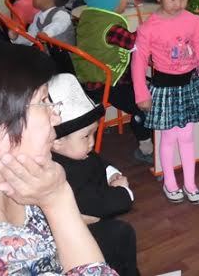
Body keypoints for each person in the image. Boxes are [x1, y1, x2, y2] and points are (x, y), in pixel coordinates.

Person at [0, 41, 115, 275]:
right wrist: (58, 200)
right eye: (44, 102)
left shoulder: (18, 178)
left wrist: (54, 200)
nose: (56, 117)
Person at [131, 0, 199, 204]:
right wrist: (142, 94)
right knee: (168, 137)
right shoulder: (148, 28)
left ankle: (190, 183)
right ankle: (170, 181)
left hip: (188, 85)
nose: (179, 4)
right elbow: (138, 63)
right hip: (164, 88)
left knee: (187, 136)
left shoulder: (192, 20)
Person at [49, 74, 138, 276]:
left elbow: (100, 162)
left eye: (94, 133)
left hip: (93, 221)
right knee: (122, 235)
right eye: (85, 136)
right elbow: (97, 203)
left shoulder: (78, 154)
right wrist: (122, 192)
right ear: (57, 142)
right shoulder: (64, 173)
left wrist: (111, 173)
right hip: (81, 240)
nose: (92, 142)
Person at [73, 0, 154, 164]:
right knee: (144, 105)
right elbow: (135, 43)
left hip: (92, 76)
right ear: (110, 2)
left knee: (144, 83)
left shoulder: (90, 17)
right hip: (108, 83)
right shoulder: (111, 28)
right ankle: (146, 148)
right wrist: (150, 26)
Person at [10, 0, 75, 46]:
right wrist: (17, 38)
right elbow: (32, 36)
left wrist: (46, 33)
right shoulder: (38, 16)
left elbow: (59, 25)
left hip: (65, 51)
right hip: (47, 50)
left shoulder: (61, 14)